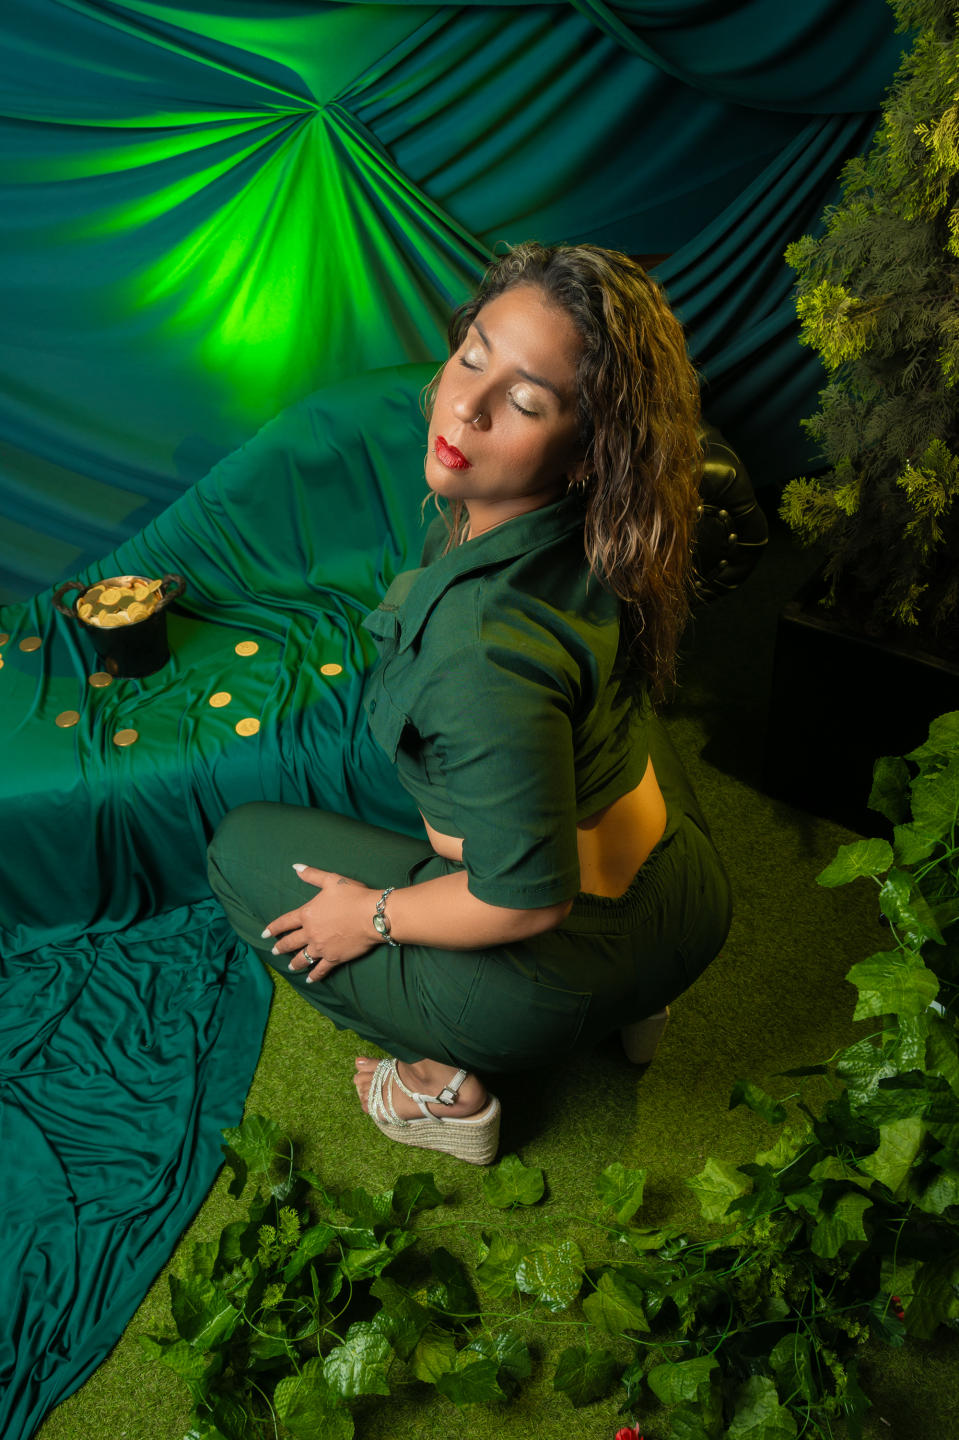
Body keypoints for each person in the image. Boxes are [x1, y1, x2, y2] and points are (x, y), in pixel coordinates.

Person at [207, 242, 732, 1166]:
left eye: (525, 402)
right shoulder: (617, 524)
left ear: (587, 452)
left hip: (549, 960)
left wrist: (369, 916)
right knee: (610, 736)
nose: (464, 407)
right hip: (684, 897)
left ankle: (441, 1089)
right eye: (472, 355)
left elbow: (525, 902)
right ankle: (639, 1004)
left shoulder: (480, 648)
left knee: (240, 851)